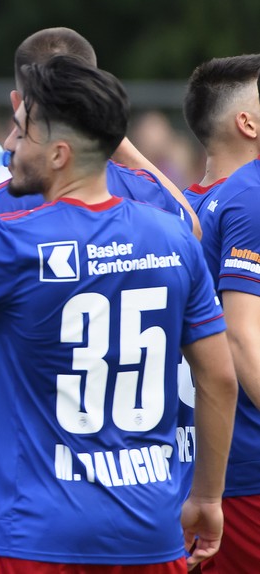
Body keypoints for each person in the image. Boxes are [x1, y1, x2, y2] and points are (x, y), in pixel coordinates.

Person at [0, 55, 238, 571]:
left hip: (40, 534)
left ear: (58, 154)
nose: (9, 145)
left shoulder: (11, 241)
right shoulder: (173, 235)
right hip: (150, 532)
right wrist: (209, 498)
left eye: (21, 132)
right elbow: (218, 378)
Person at [0, 27, 201, 573]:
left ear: (17, 105)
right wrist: (108, 127)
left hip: (23, 500)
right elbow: (189, 227)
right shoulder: (154, 204)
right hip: (142, 496)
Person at [181, 55, 260, 573]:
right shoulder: (252, 195)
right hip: (248, 472)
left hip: (203, 469)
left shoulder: (187, 204)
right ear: (248, 123)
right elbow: (241, 339)